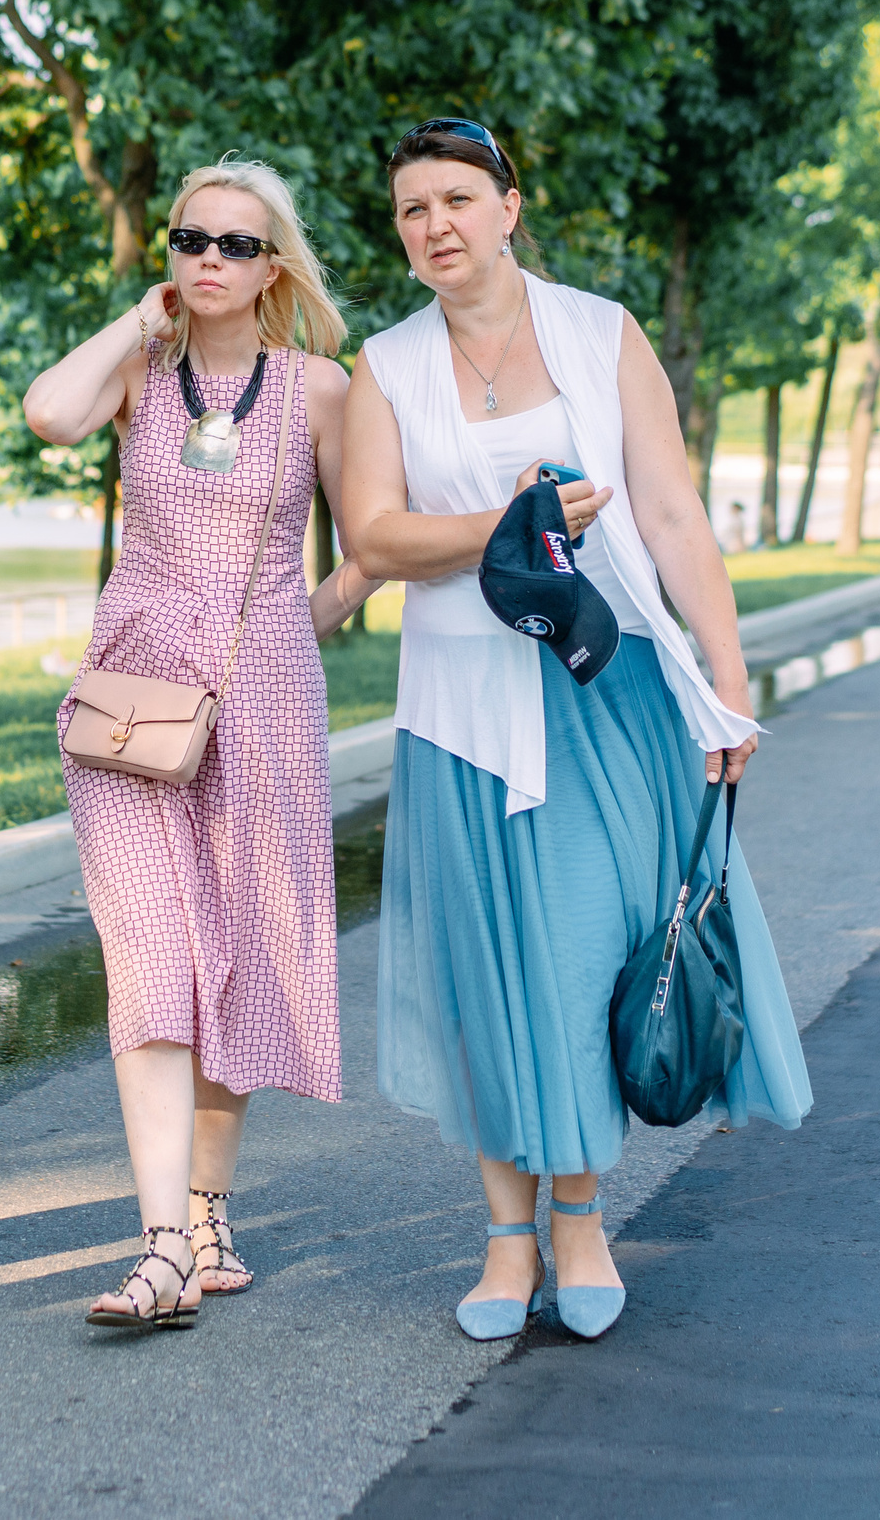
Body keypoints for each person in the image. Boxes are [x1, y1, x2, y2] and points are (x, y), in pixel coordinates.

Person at [343, 118, 811, 1344]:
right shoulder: (383, 366)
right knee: (488, 972)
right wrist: (510, 521)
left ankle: (583, 1218)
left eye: (456, 198)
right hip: (461, 709)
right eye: (410, 210)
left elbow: (667, 508)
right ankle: (506, 1239)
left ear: (509, 204)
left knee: (588, 957)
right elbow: (376, 538)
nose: (435, 225)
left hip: (613, 695)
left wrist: (725, 676)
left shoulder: (602, 333)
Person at [24, 159, 378, 1331]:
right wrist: (136, 321)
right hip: (130, 705)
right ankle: (163, 1243)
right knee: (151, 960)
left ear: (273, 265)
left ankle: (206, 1216)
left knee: (232, 958)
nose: (208, 261)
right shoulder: (140, 370)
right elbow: (47, 415)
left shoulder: (321, 388)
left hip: (264, 702)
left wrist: (290, 624)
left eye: (234, 244)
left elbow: (372, 542)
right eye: (189, 241)